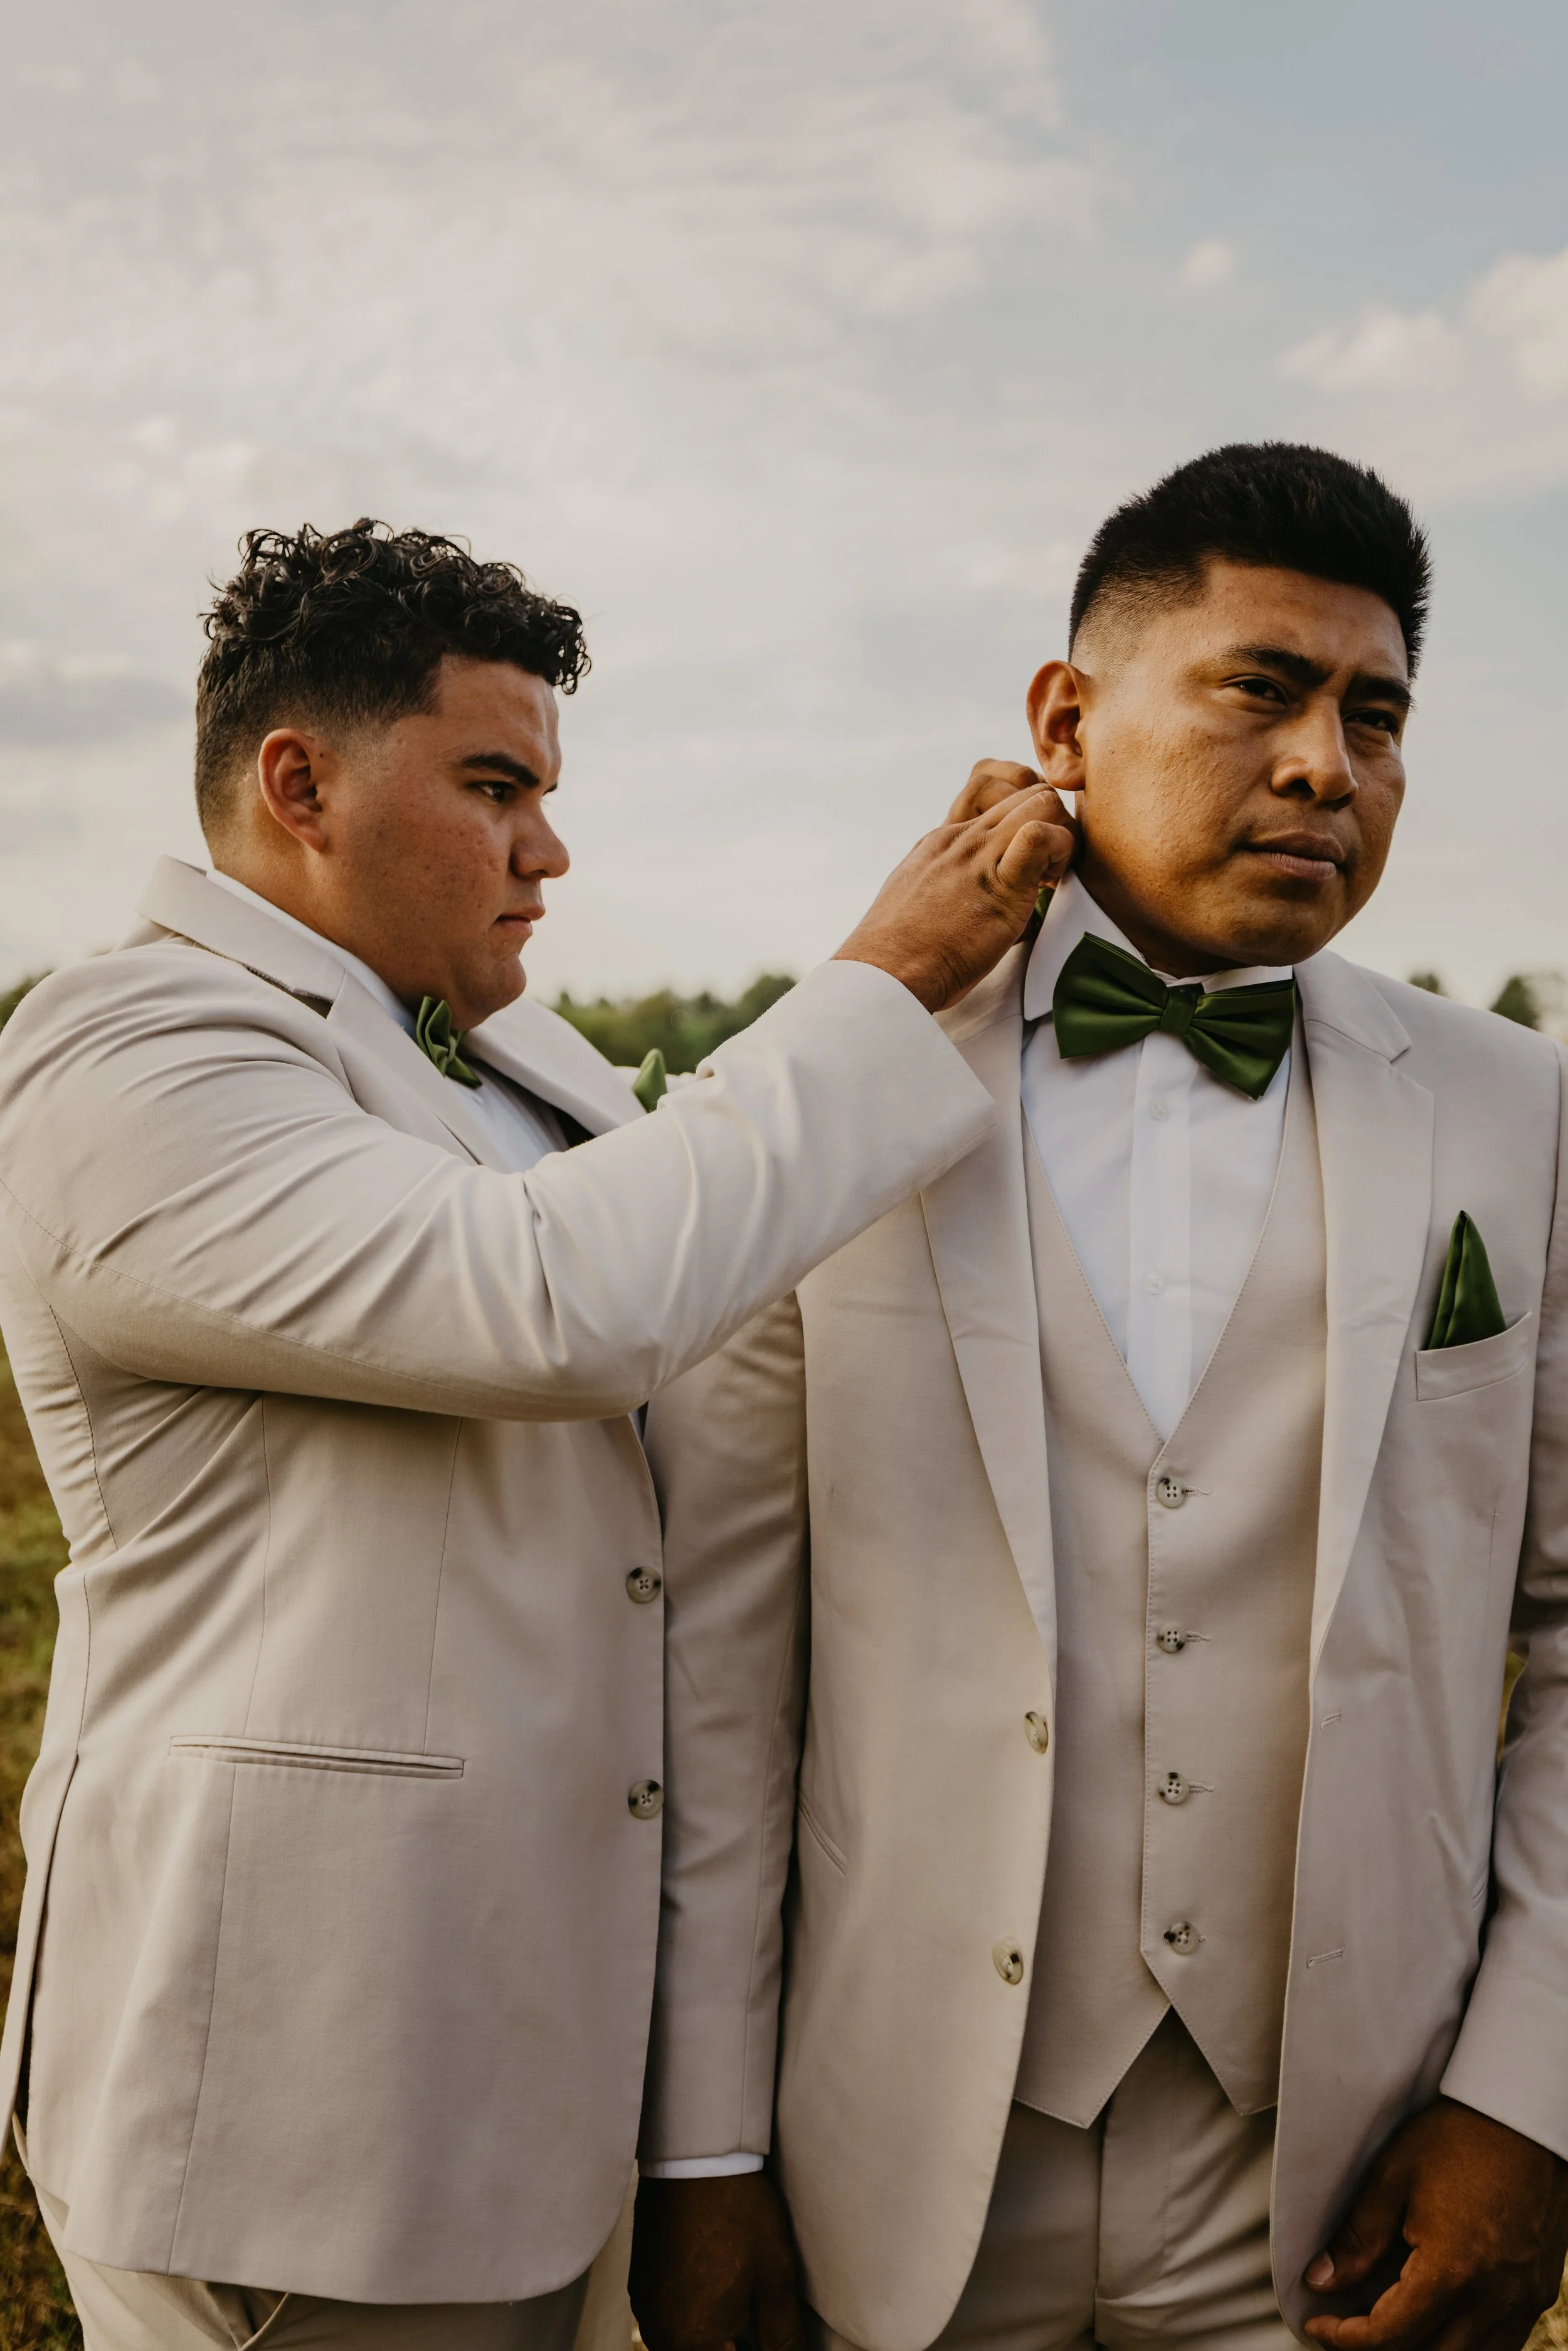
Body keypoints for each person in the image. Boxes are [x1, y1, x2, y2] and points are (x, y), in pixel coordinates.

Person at [0, 519, 1074, 2351]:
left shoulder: (514, 1058)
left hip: (545, 2066)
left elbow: (700, 1255)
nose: (548, 847)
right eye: (495, 785)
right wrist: (887, 980)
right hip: (299, 2098)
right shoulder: (127, 1052)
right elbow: (557, 1298)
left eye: (547, 791)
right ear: (298, 781)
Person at [631, 444, 1568, 2351]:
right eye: (1259, 688)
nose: (1326, 762)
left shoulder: (1510, 1108)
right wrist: (702, 2153)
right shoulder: (823, 1096)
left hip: (1332, 2174)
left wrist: (1526, 2100)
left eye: (1373, 715)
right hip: (893, 2162)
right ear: (1065, 716)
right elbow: (717, 1674)